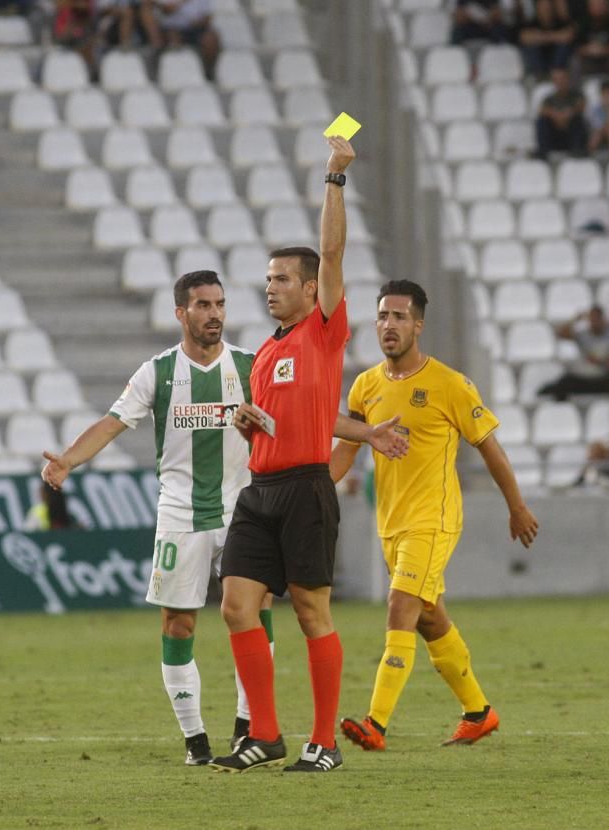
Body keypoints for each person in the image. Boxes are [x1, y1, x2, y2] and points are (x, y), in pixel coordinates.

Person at [41, 269, 405, 766]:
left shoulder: (249, 364)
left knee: (254, 611)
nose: (214, 314)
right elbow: (112, 422)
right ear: (181, 314)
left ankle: (250, 727)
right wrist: (67, 460)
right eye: (203, 306)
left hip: (246, 509)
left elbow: (307, 418)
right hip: (181, 514)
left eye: (219, 304)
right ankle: (195, 740)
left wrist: (362, 436)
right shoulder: (158, 372)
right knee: (178, 625)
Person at [331, 280, 538, 754]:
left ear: (418, 326)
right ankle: (479, 712)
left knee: (400, 607)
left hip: (434, 518)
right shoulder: (365, 385)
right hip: (391, 522)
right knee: (428, 617)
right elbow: (346, 448)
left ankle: (376, 724)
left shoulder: (450, 384)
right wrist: (315, 491)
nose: (389, 325)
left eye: (399, 317)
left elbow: (491, 449)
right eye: (383, 315)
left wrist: (517, 506)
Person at [208, 135, 356, 774]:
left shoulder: (323, 329)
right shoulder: (266, 351)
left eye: (280, 279)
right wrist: (248, 425)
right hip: (260, 487)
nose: (270, 288)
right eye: (267, 279)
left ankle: (323, 742)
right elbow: (274, 422)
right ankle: (264, 734)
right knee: (237, 605)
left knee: (309, 609)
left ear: (310, 287)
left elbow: (331, 250)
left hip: (305, 486)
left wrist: (334, 176)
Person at [539, 306, 609, 401]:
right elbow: (561, 334)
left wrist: (598, 361)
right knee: (561, 386)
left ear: (602, 319)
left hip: (601, 378)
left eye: (597, 318)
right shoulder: (582, 335)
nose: (594, 322)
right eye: (592, 319)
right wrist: (575, 320)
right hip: (582, 379)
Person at [153, 0, 220, 80]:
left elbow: (207, 17)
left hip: (195, 28)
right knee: (172, 39)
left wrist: (198, 23)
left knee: (211, 39)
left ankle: (209, 71)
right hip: (171, 28)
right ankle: (168, 75)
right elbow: (166, 10)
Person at [535, 66, 588, 158]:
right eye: (557, 80)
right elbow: (542, 110)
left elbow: (581, 106)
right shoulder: (549, 98)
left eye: (563, 79)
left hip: (570, 134)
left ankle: (578, 150)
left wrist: (568, 114)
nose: (560, 82)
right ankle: (543, 151)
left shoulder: (576, 95)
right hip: (555, 135)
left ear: (568, 80)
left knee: (578, 119)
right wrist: (557, 115)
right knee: (542, 121)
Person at [517, 0, 575, 79]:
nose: (546, 10)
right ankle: (541, 76)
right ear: (537, 9)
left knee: (564, 46)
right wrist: (554, 36)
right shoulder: (532, 22)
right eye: (543, 7)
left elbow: (569, 35)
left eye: (548, 7)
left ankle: (556, 73)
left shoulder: (559, 21)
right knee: (530, 48)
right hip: (539, 61)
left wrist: (541, 37)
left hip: (557, 60)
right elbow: (524, 37)